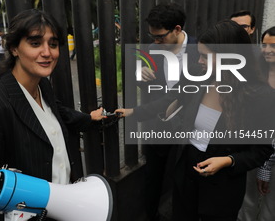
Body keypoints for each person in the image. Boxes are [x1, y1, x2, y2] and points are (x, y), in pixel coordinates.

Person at [117, 20, 275, 220]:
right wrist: (132, 112)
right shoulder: (196, 74)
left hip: (224, 182)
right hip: (186, 169)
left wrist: (228, 161)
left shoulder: (260, 97)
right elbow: (169, 99)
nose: (199, 61)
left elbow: (262, 150)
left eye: (205, 57)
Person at [0, 9, 106, 221]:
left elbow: (59, 113)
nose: (47, 52)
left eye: (53, 44)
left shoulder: (43, 86)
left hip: (66, 208)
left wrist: (91, 119)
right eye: (35, 43)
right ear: (13, 48)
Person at [141, 2, 199, 221]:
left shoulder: (199, 49)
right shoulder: (151, 49)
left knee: (183, 180)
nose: (155, 42)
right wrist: (141, 72)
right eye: (152, 37)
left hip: (190, 127)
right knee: (153, 177)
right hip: (158, 125)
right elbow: (142, 83)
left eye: (160, 37)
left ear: (177, 29)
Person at [238, 26, 275, 221]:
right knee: (248, 200)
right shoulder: (253, 74)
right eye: (264, 45)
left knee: (271, 206)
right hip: (253, 147)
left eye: (273, 45)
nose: (267, 50)